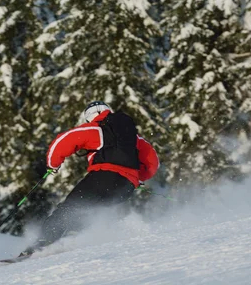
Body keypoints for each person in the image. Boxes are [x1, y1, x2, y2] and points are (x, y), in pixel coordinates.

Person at [20, 101, 159, 256]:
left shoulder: (98, 129)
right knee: (91, 211)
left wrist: (53, 165)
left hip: (104, 177)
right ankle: (72, 240)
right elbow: (153, 162)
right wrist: (136, 178)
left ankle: (41, 244)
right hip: (126, 188)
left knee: (70, 208)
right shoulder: (135, 139)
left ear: (90, 117)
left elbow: (63, 141)